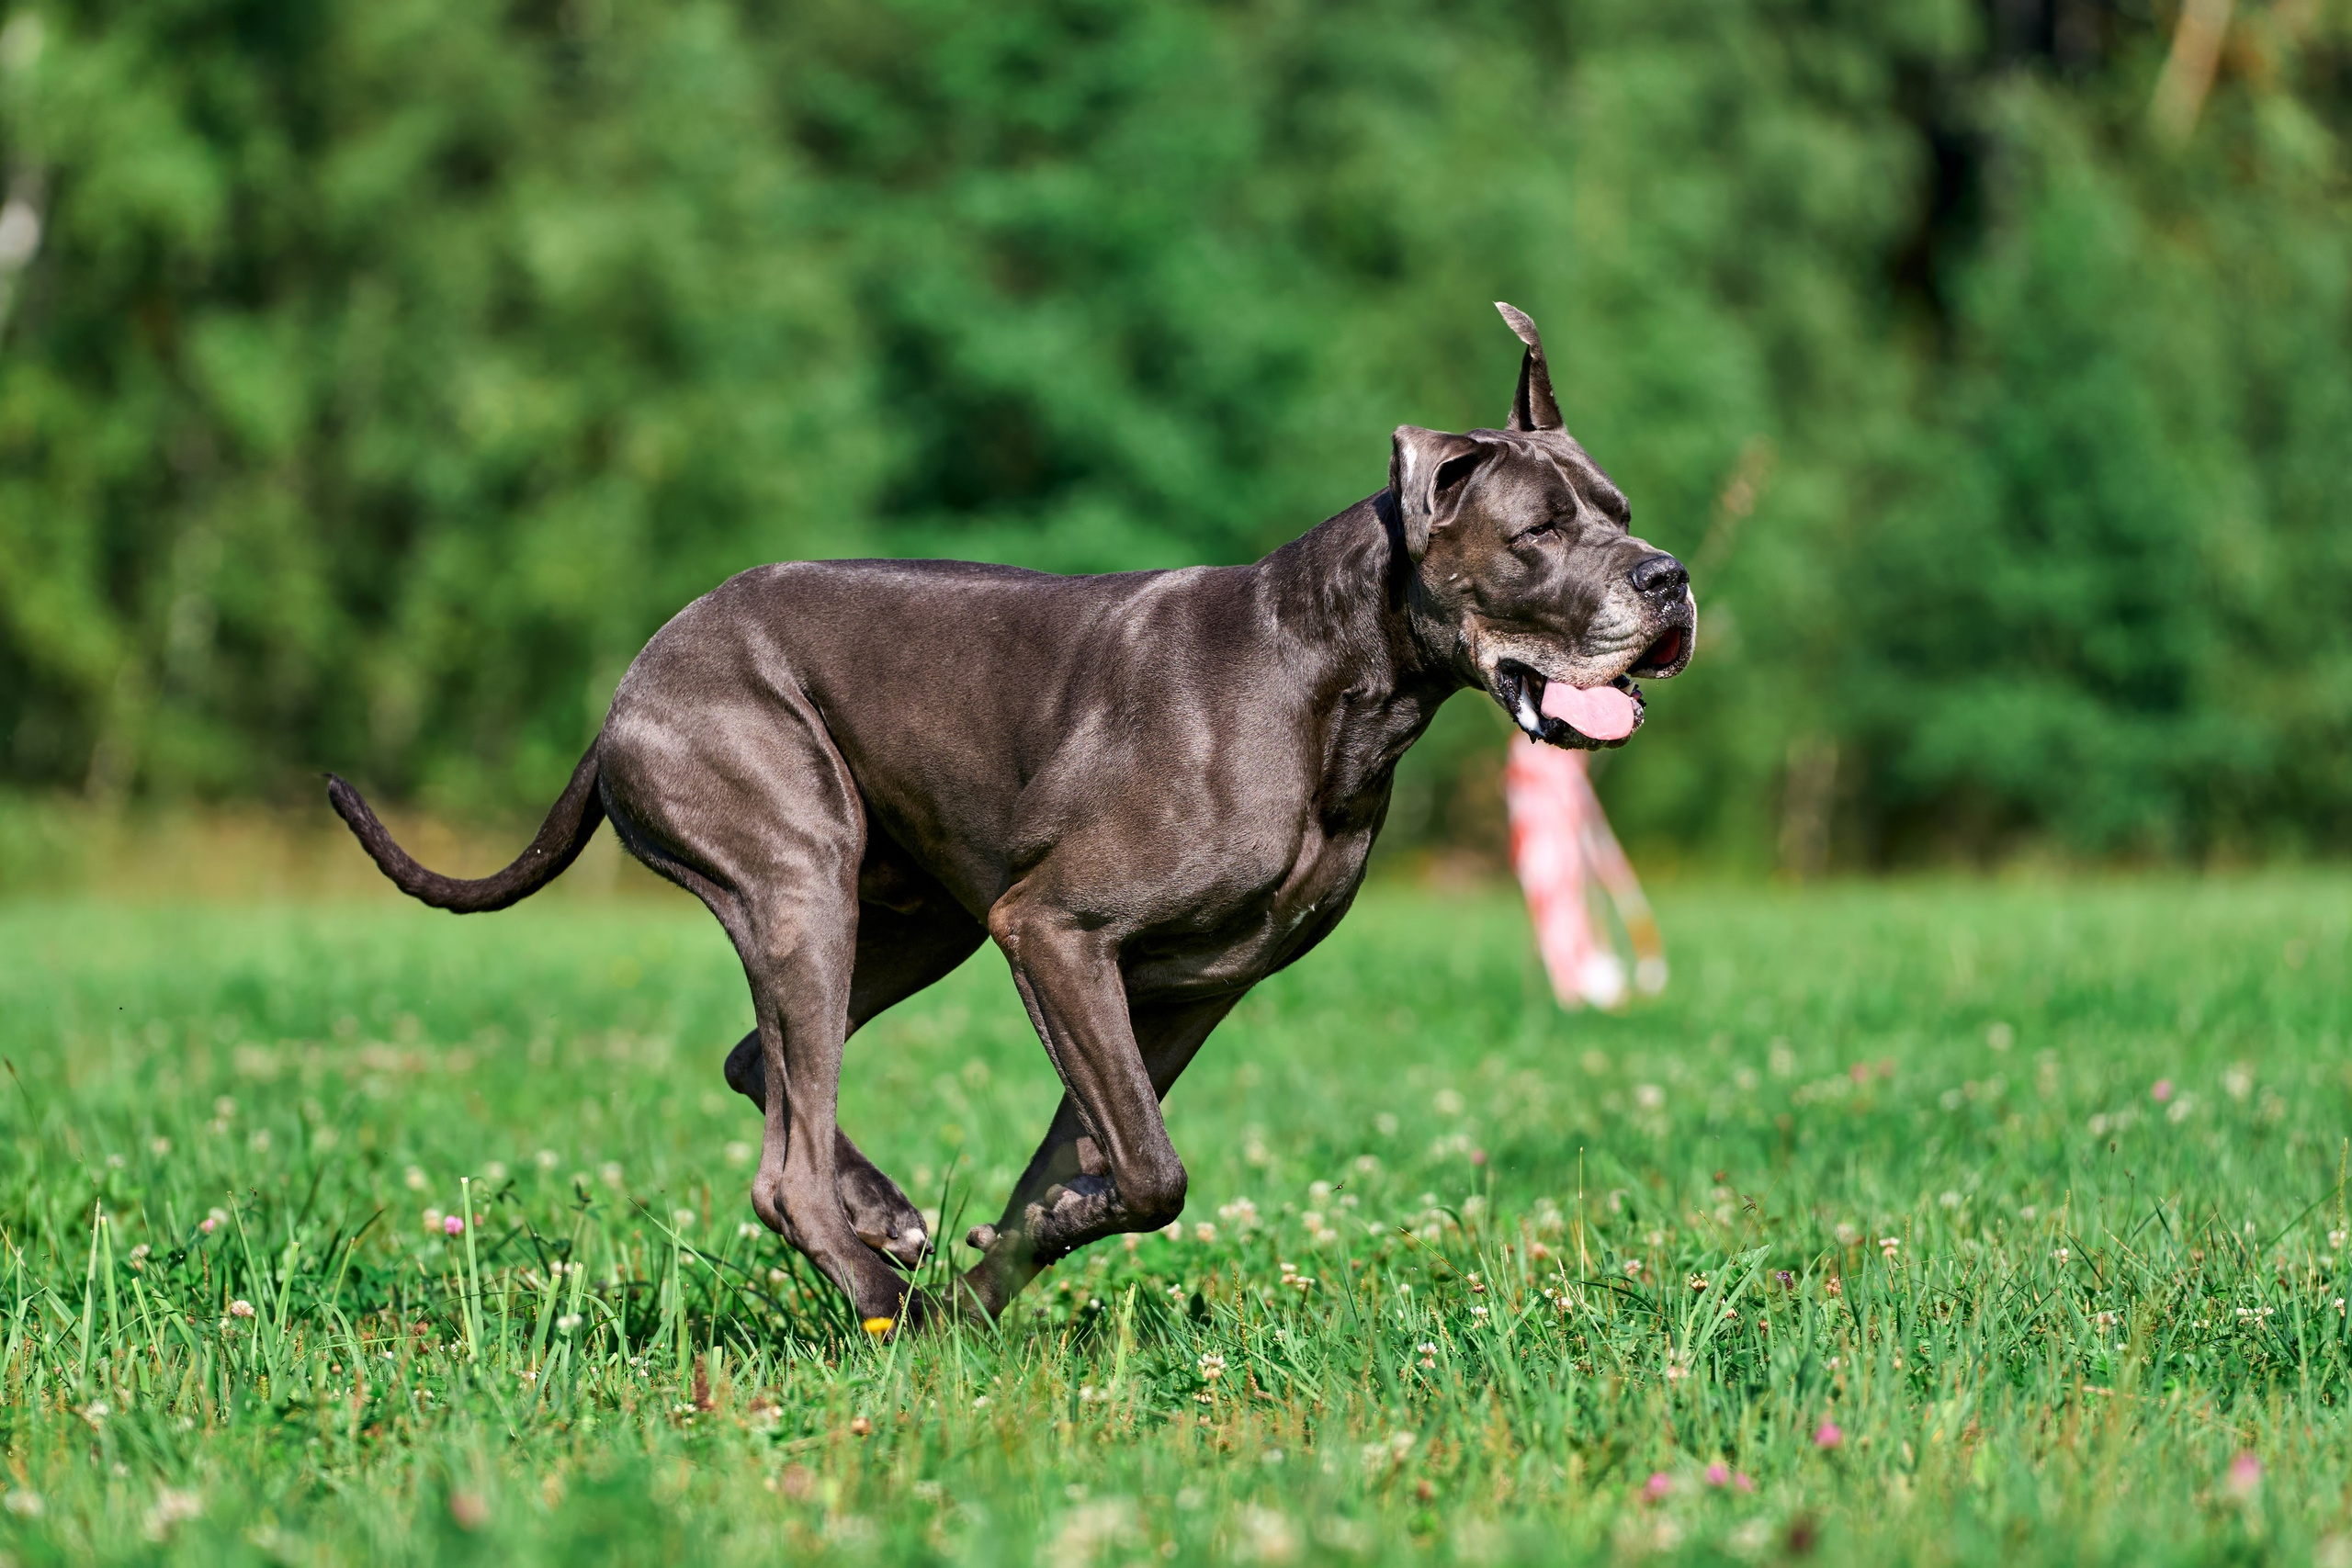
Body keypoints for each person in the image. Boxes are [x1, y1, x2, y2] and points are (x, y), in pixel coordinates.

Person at [1502, 735, 1666, 1010]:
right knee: (1552, 896)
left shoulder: (1557, 754)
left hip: (1563, 829)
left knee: (1576, 886)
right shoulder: (1529, 752)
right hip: (1542, 835)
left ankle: (1584, 963)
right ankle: (1569, 975)